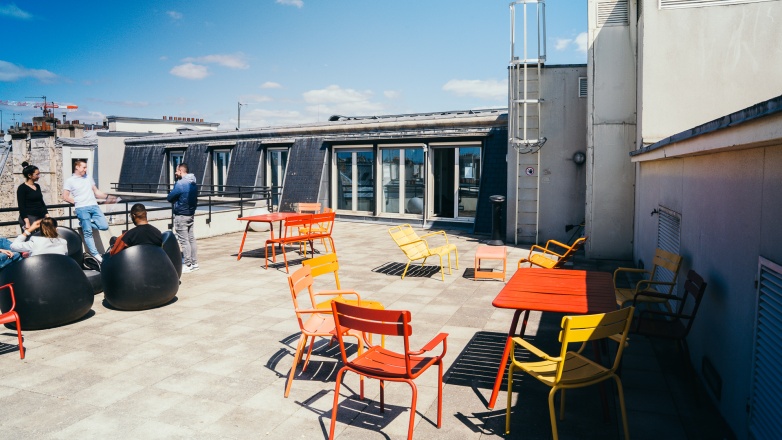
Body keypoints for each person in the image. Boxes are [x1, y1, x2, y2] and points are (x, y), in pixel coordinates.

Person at [62, 159, 109, 263]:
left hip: (94, 206)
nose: (85, 169)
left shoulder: (88, 177)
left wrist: (108, 197)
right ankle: (95, 254)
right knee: (88, 232)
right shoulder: (70, 180)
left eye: (86, 167)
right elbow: (65, 196)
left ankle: (85, 223)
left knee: (104, 226)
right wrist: (77, 202)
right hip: (82, 208)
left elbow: (96, 191)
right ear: (77, 167)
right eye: (84, 167)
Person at [167, 163, 198, 273]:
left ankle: (188, 264)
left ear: (181, 171)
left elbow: (169, 197)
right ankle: (194, 263)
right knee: (191, 239)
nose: (175, 173)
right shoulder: (193, 182)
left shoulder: (180, 184)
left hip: (181, 215)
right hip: (190, 214)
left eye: (176, 171)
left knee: (184, 241)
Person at [17, 162, 49, 232]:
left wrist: (47, 214)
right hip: (30, 217)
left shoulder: (37, 186)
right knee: (29, 237)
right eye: (37, 174)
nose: (39, 176)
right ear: (29, 175)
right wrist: (27, 222)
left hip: (40, 216)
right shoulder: (22, 188)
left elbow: (41, 202)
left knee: (43, 236)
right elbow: (21, 206)